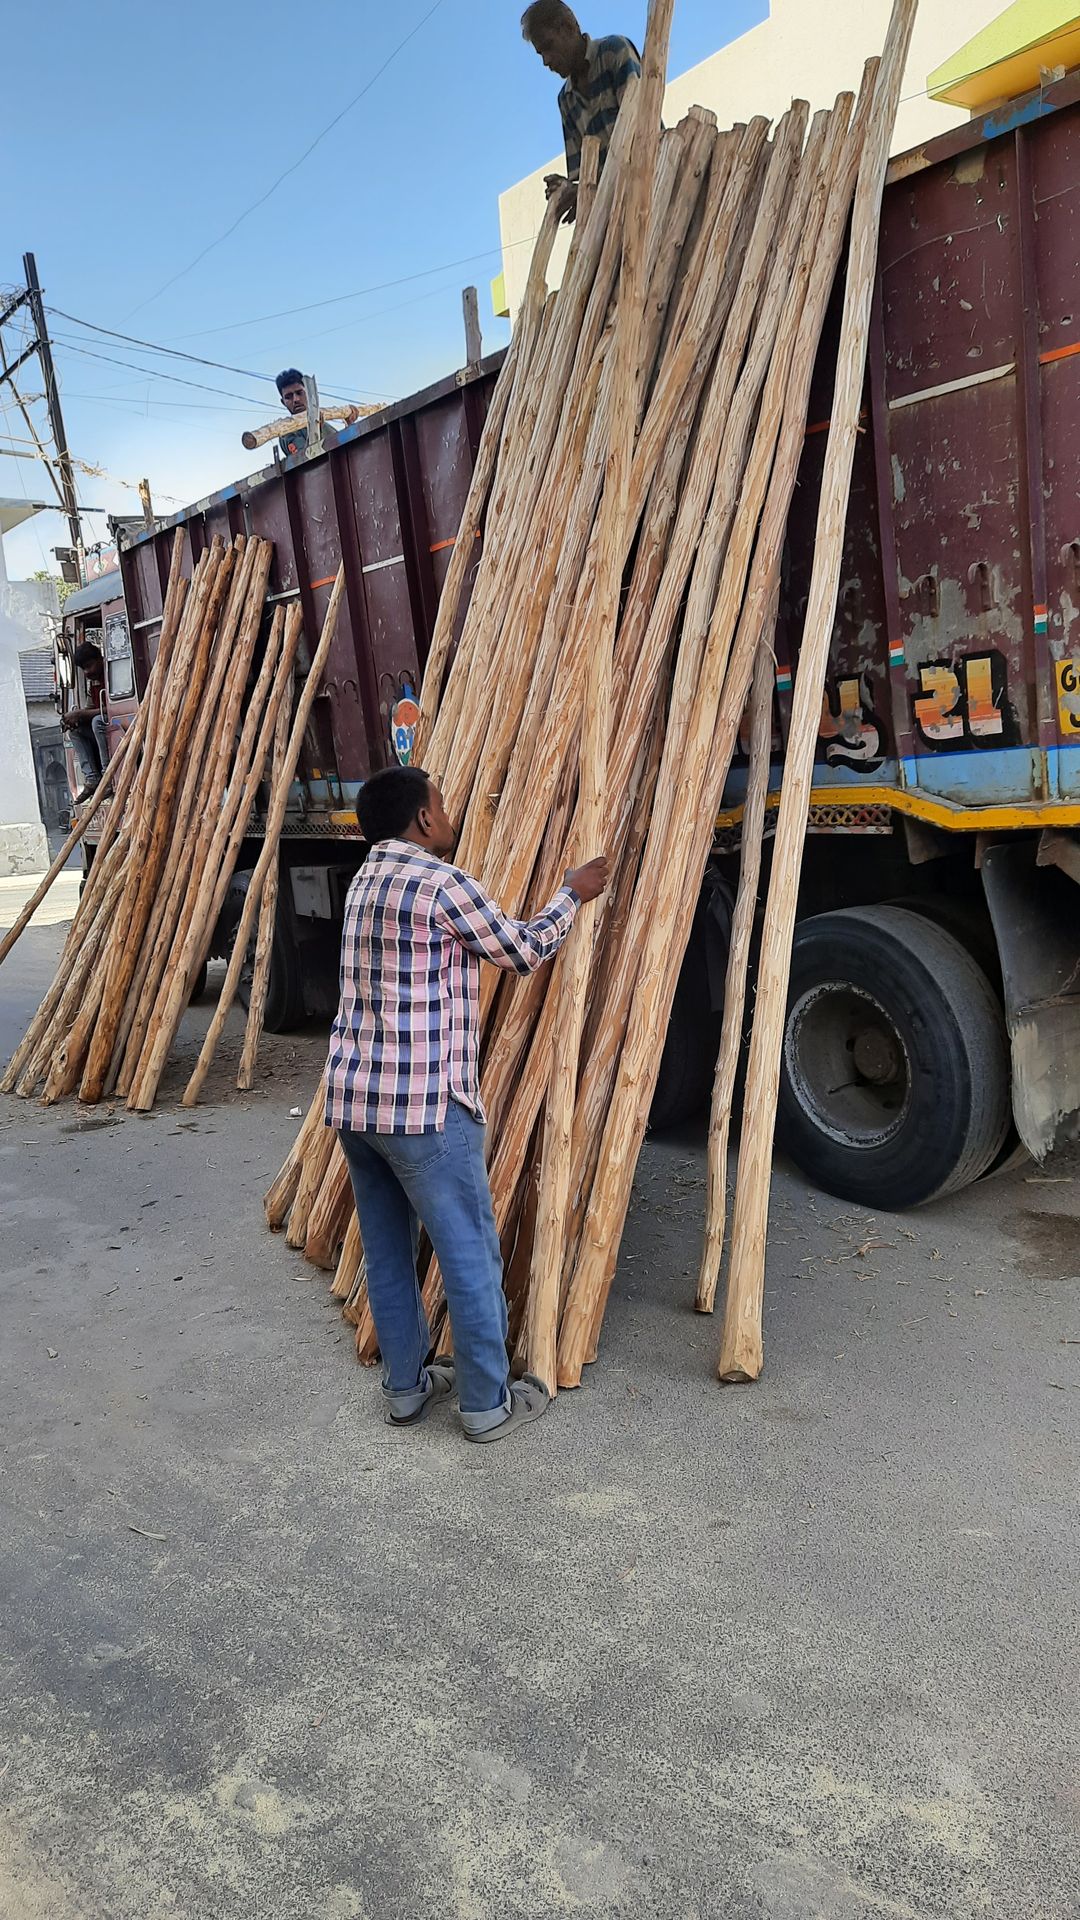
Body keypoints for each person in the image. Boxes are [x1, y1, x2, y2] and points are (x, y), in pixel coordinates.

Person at [326, 765, 609, 1443]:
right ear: (422, 821)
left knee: (389, 1253)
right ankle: (486, 1405)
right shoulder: (438, 882)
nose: (450, 815)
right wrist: (573, 893)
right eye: (443, 805)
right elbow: (522, 949)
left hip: (358, 1104)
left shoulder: (365, 879)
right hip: (425, 1109)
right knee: (470, 1251)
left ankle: (406, 1390)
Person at [521, 1, 641, 219]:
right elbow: (583, 176)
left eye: (548, 47)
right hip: (612, 217)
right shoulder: (565, 100)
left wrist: (585, 191)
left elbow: (642, 135)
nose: (546, 61)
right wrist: (567, 190)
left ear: (568, 27)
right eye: (540, 54)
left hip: (649, 189)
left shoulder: (614, 52)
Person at [61, 639, 109, 804]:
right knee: (75, 731)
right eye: (84, 669)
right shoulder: (93, 683)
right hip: (105, 724)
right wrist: (77, 718)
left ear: (100, 659)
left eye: (89, 666)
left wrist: (81, 713)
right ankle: (92, 777)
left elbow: (112, 709)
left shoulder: (112, 673)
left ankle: (108, 774)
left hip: (118, 724)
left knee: (97, 721)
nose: (87, 672)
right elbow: (90, 709)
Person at [275, 368, 339, 459]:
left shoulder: (323, 422)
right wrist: (316, 430)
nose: (296, 399)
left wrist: (350, 424)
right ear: (283, 402)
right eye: (289, 397)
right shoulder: (286, 432)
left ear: (308, 393)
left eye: (299, 393)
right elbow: (305, 456)